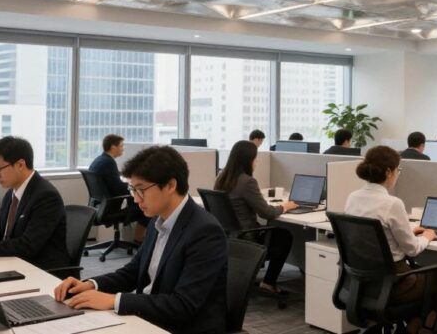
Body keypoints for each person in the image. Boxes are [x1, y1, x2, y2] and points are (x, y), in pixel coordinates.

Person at [54, 146, 228, 334]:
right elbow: (133, 272)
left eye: (141, 190)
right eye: (132, 190)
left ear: (170, 185)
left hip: (180, 327)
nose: (136, 199)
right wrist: (90, 285)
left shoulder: (204, 232)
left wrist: (114, 300)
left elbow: (183, 305)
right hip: (149, 319)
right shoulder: (158, 220)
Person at [345, 146, 437, 333]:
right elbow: (412, 249)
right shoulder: (392, 203)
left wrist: (408, 230)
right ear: (389, 172)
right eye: (398, 170)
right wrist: (427, 237)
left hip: (362, 282)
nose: (397, 174)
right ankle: (422, 328)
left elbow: (374, 234)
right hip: (394, 284)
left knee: (427, 278)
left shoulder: (353, 197)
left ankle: (413, 325)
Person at [0, 136, 70, 270]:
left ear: (20, 165)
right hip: (13, 260)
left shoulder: (46, 196)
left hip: (41, 269)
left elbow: (27, 245)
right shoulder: (12, 193)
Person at [214, 140, 297, 294]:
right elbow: (267, 213)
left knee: (279, 233)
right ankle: (268, 282)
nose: (257, 161)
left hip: (228, 237)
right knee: (285, 235)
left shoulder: (221, 177)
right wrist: (285, 206)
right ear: (248, 160)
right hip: (247, 238)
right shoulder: (247, 182)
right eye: (255, 158)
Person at [89, 134, 147, 241]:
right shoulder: (108, 163)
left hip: (100, 206)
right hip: (109, 208)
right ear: (113, 147)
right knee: (144, 208)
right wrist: (133, 187)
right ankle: (139, 240)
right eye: (121, 146)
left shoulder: (99, 160)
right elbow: (119, 190)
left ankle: (138, 240)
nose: (123, 148)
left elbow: (113, 184)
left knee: (136, 202)